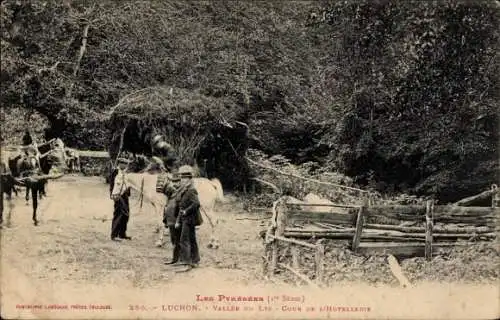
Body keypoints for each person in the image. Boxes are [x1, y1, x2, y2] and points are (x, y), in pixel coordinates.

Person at [170, 165, 201, 273]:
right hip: (186, 218)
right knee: (192, 239)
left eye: (184, 178)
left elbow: (196, 204)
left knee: (184, 240)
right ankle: (195, 260)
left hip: (189, 219)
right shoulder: (185, 189)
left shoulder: (191, 190)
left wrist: (186, 211)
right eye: (181, 178)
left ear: (188, 179)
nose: (182, 180)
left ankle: (187, 263)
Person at [110, 158, 133, 241]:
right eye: (124, 163)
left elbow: (128, 183)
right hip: (118, 195)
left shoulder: (125, 173)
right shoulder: (115, 172)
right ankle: (114, 234)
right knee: (118, 214)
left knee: (126, 214)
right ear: (120, 164)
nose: (126, 165)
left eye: (126, 164)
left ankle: (122, 234)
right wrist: (113, 196)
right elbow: (112, 184)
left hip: (125, 195)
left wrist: (128, 193)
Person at [161, 173, 182, 265]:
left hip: (176, 221)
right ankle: (176, 258)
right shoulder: (170, 192)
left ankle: (177, 259)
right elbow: (163, 190)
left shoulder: (181, 193)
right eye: (173, 182)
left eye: (177, 181)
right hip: (170, 220)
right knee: (173, 240)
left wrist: (178, 221)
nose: (175, 184)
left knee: (178, 240)